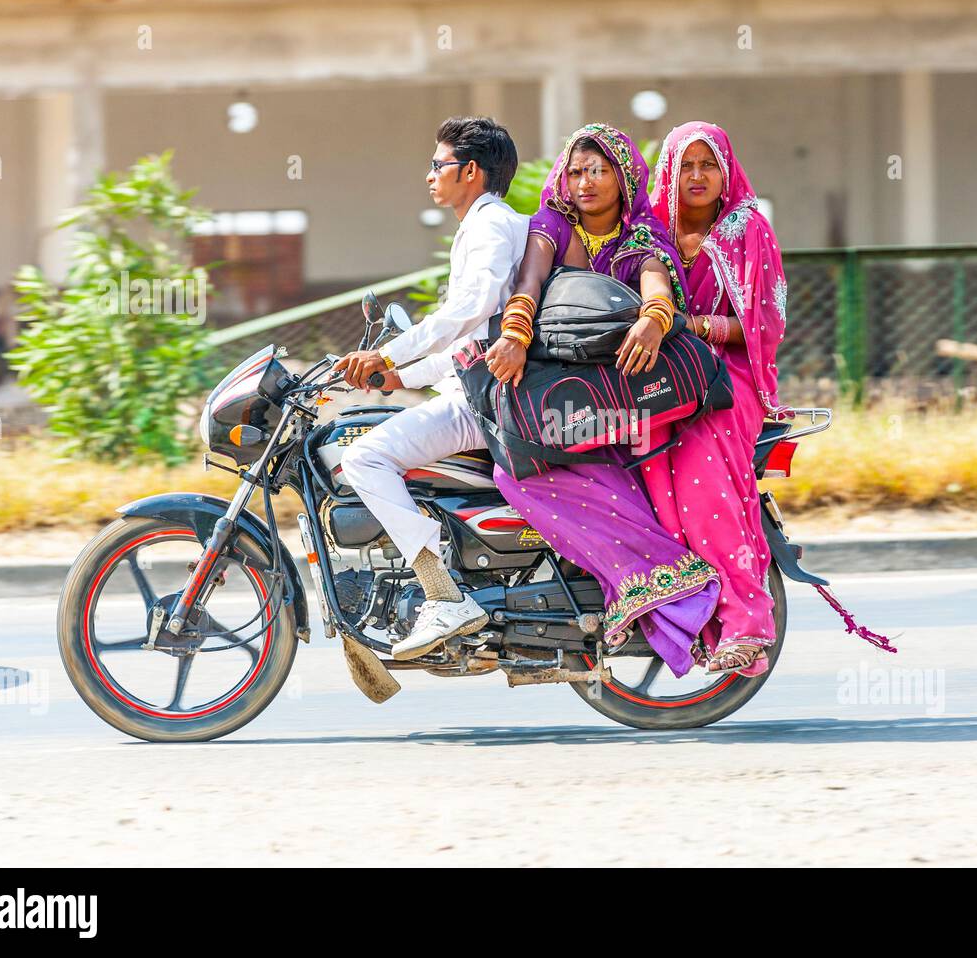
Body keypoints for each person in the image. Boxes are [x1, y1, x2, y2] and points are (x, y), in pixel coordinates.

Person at [481, 123, 720, 679]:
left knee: (521, 474)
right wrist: (514, 335)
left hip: (618, 390)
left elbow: (658, 283)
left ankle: (665, 582)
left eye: (599, 170)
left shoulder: (641, 235)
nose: (585, 181)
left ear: (624, 176)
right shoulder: (553, 226)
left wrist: (653, 321)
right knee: (510, 469)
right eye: (576, 170)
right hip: (553, 381)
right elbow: (530, 282)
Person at [337, 116, 529, 661]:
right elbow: (470, 341)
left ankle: (442, 595)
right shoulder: (485, 225)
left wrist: (389, 353)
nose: (429, 175)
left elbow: (469, 311)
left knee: (366, 459)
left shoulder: (489, 225)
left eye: (438, 164)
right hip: (481, 386)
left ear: (471, 171)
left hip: (487, 399)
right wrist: (400, 377)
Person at [640, 121, 795, 677]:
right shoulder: (651, 232)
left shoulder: (746, 228)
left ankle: (748, 620)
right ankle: (700, 623)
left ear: (726, 170)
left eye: (708, 165)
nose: (697, 176)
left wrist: (696, 327)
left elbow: (767, 324)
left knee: (701, 474)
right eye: (686, 165)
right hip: (661, 381)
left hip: (726, 382)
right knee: (650, 477)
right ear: (669, 172)